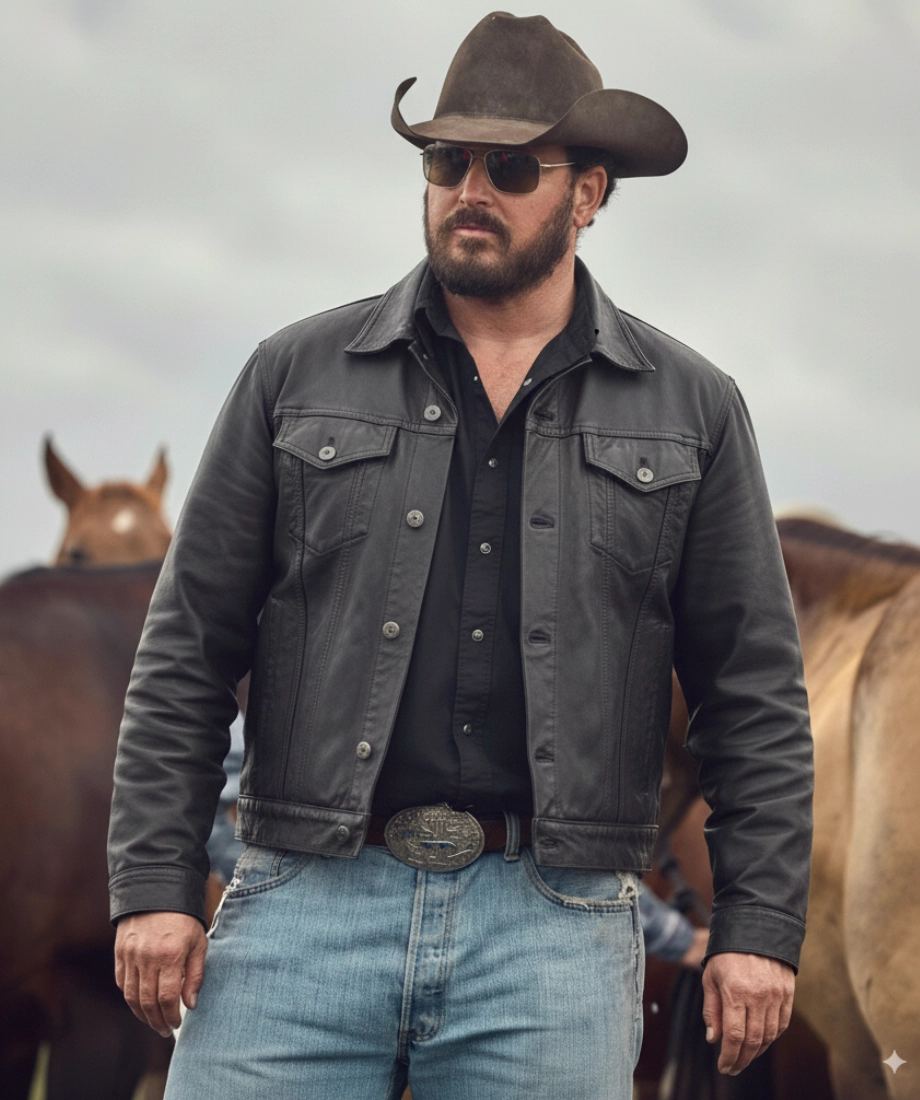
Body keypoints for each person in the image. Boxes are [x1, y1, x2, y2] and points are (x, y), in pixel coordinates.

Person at [108, 13, 814, 1100]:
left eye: (511, 167)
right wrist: (157, 882)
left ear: (587, 194)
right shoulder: (292, 375)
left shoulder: (694, 411)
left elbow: (752, 692)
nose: (468, 189)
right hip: (300, 912)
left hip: (553, 936)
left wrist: (757, 925)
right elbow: (185, 650)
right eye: (446, 161)